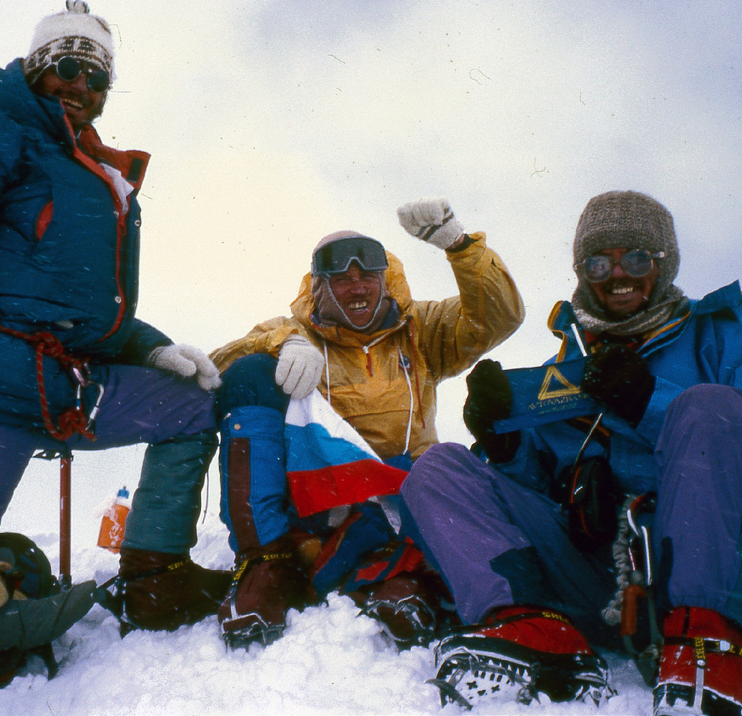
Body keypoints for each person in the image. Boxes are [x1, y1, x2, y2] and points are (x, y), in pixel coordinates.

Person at [0, 0, 227, 715]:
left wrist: (152, 347)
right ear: (34, 67)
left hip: (70, 386)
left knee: (197, 404)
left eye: (96, 76)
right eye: (66, 66)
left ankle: (154, 574)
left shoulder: (90, 170)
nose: (80, 85)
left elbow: (81, 307)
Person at [402, 191, 742, 714]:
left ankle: (705, 641)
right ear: (581, 272)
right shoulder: (562, 374)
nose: (617, 275)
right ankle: (535, 630)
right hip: (600, 587)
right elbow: (535, 490)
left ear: (663, 264)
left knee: (709, 405)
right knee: (436, 468)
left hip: (724, 574)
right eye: (599, 262)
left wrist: (649, 402)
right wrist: (505, 446)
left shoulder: (724, 342)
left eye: (636, 259)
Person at [211, 198, 525, 648]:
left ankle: (407, 586)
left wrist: (458, 245)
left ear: (385, 280)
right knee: (250, 372)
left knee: (443, 500)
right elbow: (220, 367)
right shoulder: (295, 331)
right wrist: (282, 343)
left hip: (405, 488)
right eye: (341, 279)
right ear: (319, 288)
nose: (357, 288)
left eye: (368, 277)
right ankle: (265, 563)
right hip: (330, 491)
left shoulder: (420, 329)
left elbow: (501, 316)